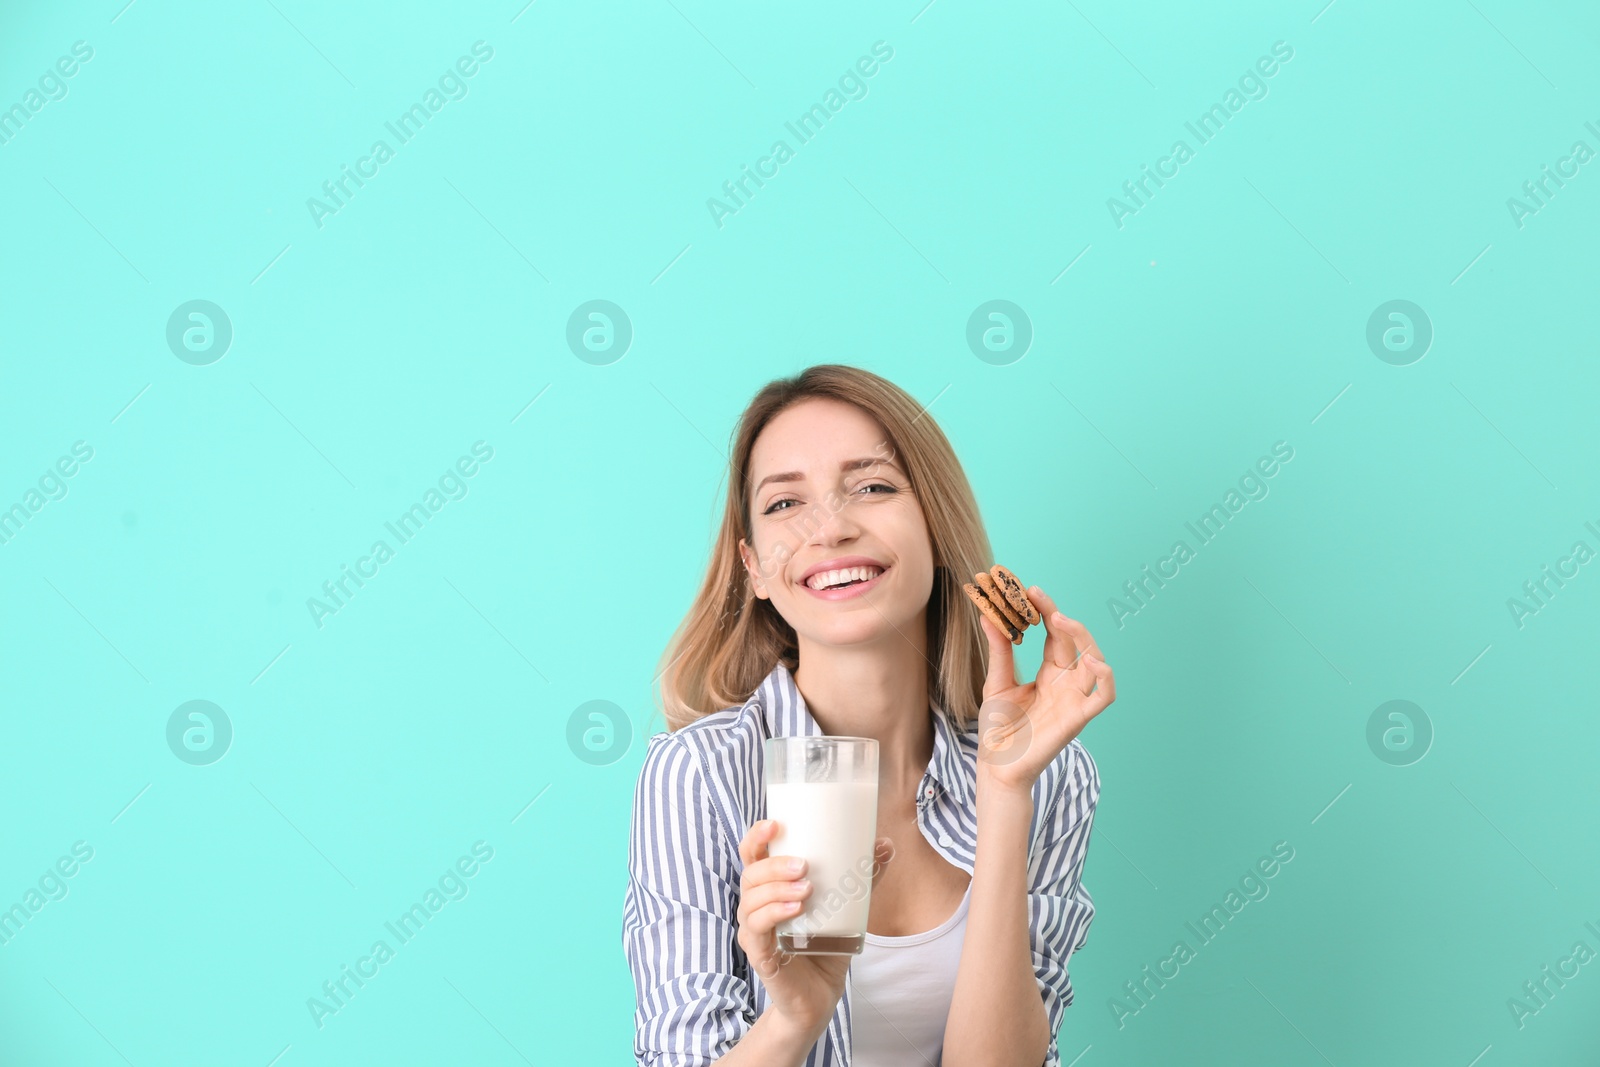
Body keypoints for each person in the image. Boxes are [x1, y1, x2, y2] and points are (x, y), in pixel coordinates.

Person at [623, 364, 1115, 1066]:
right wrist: (793, 1017)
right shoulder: (699, 775)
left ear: (934, 526)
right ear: (755, 567)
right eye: (786, 504)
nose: (831, 528)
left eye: (873, 486)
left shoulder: (1051, 773)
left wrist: (1006, 793)